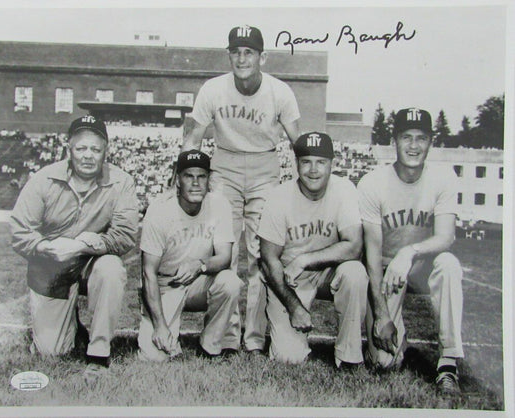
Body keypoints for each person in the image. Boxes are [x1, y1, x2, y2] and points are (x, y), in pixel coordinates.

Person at [181, 25, 301, 354]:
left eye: (249, 51)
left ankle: (256, 338)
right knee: (225, 251)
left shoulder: (280, 92)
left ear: (263, 56)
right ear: (229, 54)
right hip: (225, 163)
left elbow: (297, 143)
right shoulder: (212, 89)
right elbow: (193, 137)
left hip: (265, 165)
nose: (242, 57)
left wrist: (299, 185)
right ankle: (226, 337)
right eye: (236, 51)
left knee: (264, 253)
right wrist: (182, 171)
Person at [10, 115, 139, 382]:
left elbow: (126, 235)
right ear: (69, 149)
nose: (88, 156)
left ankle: (99, 352)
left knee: (112, 268)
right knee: (52, 351)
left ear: (106, 150)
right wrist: (46, 247)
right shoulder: (44, 179)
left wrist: (86, 243)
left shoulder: (121, 181)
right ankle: (73, 326)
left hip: (92, 260)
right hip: (52, 266)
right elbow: (20, 231)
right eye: (81, 148)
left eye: (95, 149)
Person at [357, 108, 464, 395]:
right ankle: (397, 340)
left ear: (431, 142)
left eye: (421, 138)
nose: (413, 146)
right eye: (406, 137)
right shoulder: (372, 182)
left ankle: (448, 362)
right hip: (386, 268)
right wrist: (381, 315)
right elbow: (371, 251)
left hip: (421, 264)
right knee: (384, 362)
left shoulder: (443, 179)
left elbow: (445, 236)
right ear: (394, 140)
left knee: (449, 265)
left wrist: (410, 252)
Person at [257, 132, 368, 366]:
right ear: (296, 164)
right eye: (306, 162)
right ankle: (290, 332)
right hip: (289, 279)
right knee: (289, 358)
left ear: (332, 164)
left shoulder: (344, 189)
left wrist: (305, 259)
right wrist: (294, 306)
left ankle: (348, 355)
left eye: (321, 162)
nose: (313, 170)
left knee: (354, 272)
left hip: (329, 272)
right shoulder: (278, 197)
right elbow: (268, 261)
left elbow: (355, 246)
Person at [138, 150, 243, 361]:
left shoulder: (219, 204)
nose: (196, 183)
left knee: (230, 281)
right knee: (154, 357)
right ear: (178, 180)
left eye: (201, 176)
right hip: (164, 285)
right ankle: (163, 330)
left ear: (208, 180)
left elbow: (224, 257)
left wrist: (200, 265)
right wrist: (160, 326)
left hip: (198, 282)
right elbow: (147, 272)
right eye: (189, 176)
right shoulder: (159, 210)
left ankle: (210, 345)